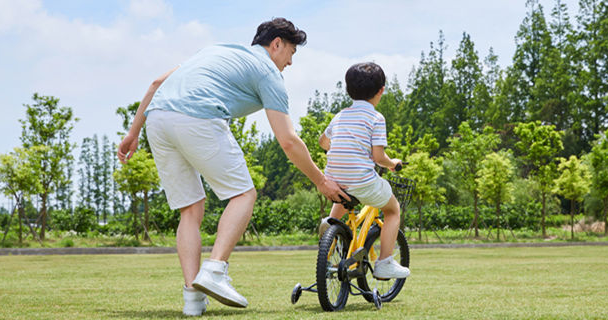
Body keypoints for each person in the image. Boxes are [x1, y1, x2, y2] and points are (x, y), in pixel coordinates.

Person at [116, 18, 347, 316]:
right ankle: (215, 270)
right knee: (243, 194)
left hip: (158, 119)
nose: (290, 62)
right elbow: (288, 141)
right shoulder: (267, 72)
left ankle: (193, 299)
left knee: (191, 209)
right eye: (291, 52)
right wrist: (321, 181)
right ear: (276, 44)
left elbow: (156, 83)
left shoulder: (215, 51)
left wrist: (133, 133)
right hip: (197, 116)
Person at [318, 62, 410, 279]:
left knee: (341, 200)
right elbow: (378, 157)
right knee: (393, 209)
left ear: (349, 89)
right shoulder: (376, 118)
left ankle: (329, 234)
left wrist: (344, 146)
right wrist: (392, 163)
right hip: (361, 180)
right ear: (381, 90)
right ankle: (385, 262)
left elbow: (323, 142)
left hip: (333, 178)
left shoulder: (339, 116)